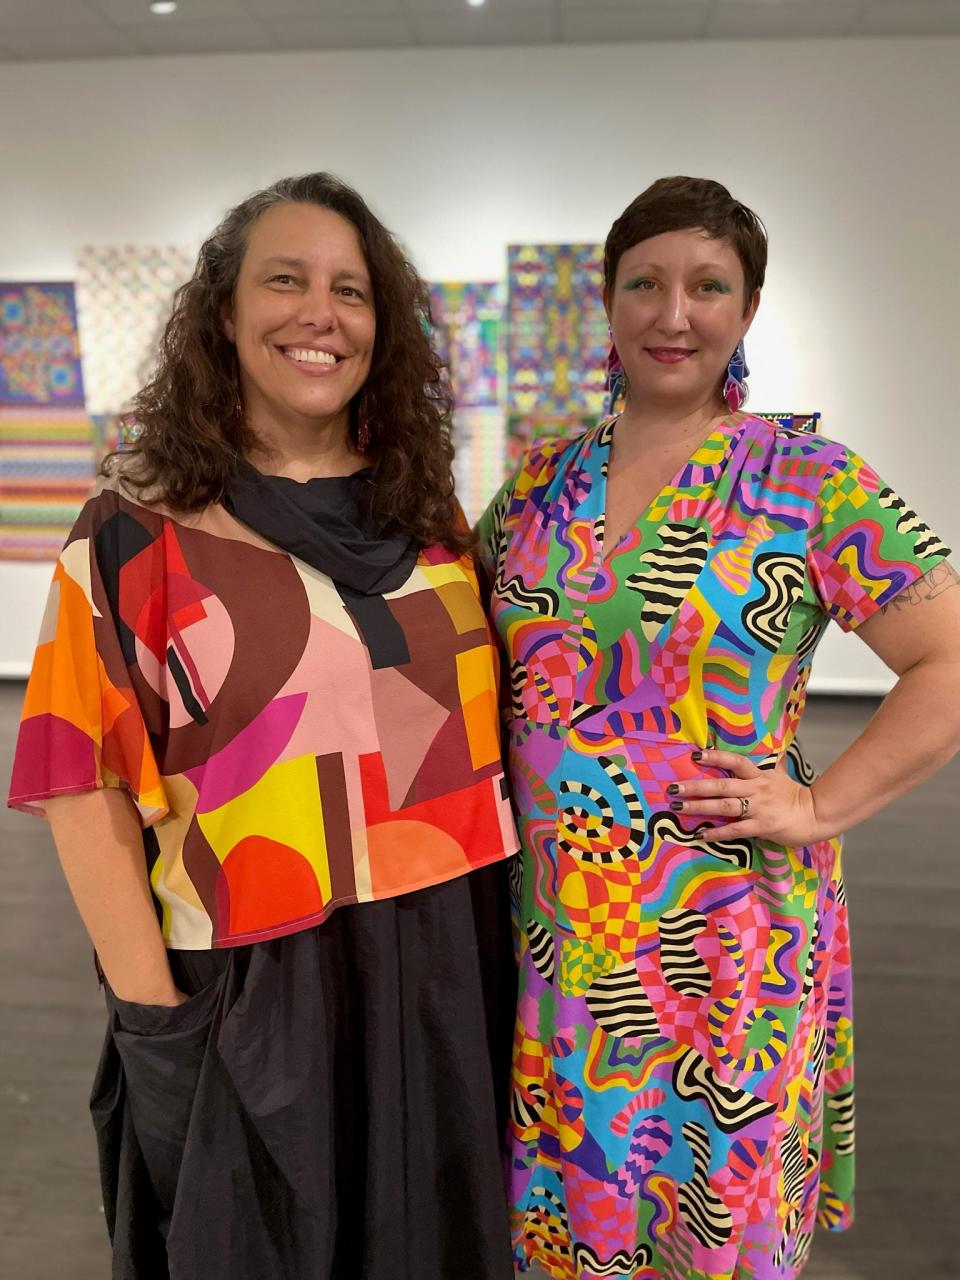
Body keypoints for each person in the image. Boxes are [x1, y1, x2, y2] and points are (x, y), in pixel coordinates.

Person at [8, 172, 518, 1280]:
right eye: (284, 280)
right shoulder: (131, 533)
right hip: (256, 973)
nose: (318, 312)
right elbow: (78, 781)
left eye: (351, 288)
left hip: (442, 955)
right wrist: (154, 1017)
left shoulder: (426, 517)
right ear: (224, 316)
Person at [477, 176, 960, 1279]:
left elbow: (949, 659)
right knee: (578, 1200)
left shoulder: (808, 482)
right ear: (606, 303)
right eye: (644, 282)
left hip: (728, 936)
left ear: (746, 310)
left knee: (709, 1205)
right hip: (562, 935)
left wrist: (824, 799)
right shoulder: (538, 487)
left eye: (707, 285)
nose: (672, 311)